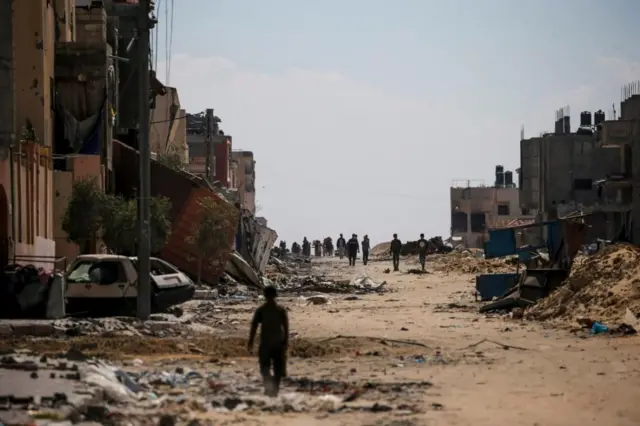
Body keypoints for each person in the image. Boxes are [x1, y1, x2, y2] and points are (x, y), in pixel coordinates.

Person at [247, 286, 289, 397]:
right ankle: (274, 388)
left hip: (266, 343)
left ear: (265, 296)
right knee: (278, 368)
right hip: (278, 343)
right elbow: (286, 327)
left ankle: (270, 386)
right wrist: (286, 341)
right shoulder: (280, 310)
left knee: (265, 367)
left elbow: (254, 326)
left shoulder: (261, 310)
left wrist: (251, 341)